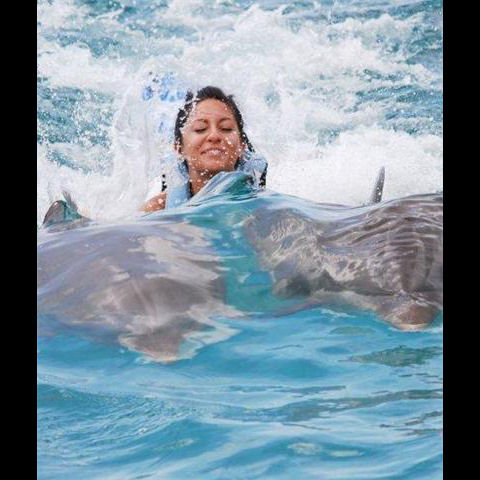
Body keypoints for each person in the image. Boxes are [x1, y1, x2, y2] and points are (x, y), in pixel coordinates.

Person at [141, 86, 267, 213]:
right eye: (200, 129)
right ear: (179, 148)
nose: (214, 136)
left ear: (242, 145)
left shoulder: (263, 207)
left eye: (226, 128)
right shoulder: (155, 211)